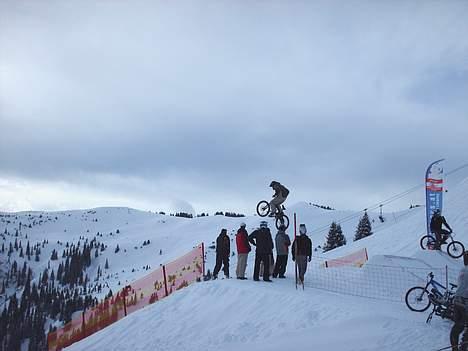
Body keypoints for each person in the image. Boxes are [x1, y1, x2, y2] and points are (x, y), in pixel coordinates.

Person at [450, 251, 468, 351]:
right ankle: (463, 347)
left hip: (457, 300)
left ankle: (455, 348)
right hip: (466, 302)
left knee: (458, 326)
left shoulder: (462, 270)